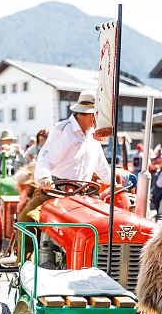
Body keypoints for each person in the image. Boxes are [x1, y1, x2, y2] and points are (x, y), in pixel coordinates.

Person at [19, 89, 111, 256]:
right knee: (28, 218)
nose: (98, 119)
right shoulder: (63, 130)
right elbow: (45, 158)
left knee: (106, 221)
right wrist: (45, 177)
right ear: (89, 115)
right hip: (56, 192)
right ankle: (26, 267)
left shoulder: (92, 136)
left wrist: (113, 182)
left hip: (85, 196)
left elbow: (101, 166)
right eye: (96, 114)